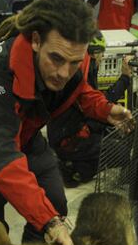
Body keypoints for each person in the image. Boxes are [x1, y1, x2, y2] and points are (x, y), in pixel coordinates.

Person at [0, 0, 132, 245]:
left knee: (54, 203)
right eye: (56, 59)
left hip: (27, 132)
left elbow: (78, 89)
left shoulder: (70, 57)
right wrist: (48, 222)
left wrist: (104, 109)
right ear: (35, 41)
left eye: (74, 62)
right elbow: (2, 157)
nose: (63, 73)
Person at [47, 30, 132, 186]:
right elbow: (101, 103)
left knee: (109, 135)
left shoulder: (83, 71)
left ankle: (75, 168)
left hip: (65, 134)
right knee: (122, 153)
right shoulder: (82, 74)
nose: (101, 59)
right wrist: (125, 78)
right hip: (71, 139)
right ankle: (71, 166)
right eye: (100, 54)